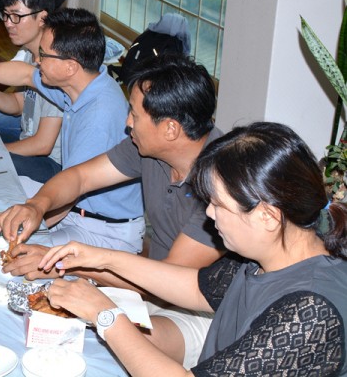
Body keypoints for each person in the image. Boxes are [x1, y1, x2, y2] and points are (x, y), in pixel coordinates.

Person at [38, 122, 347, 377]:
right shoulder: (264, 257)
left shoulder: (311, 311)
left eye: (218, 204)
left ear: (267, 216)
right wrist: (103, 259)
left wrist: (105, 315)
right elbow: (196, 288)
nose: (209, 213)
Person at [0, 55, 226, 368]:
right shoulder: (147, 147)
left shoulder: (222, 187)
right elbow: (80, 177)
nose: (127, 122)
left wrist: (64, 264)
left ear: (171, 129)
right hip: (146, 290)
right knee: (54, 315)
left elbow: (164, 283)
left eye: (134, 113)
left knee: (116, 340)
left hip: (200, 311)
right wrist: (36, 205)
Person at [0, 8, 144, 253]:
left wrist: (23, 232)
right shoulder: (84, 83)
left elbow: (71, 192)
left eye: (44, 55)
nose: (37, 61)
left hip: (103, 230)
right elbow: (26, 74)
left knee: (1, 250)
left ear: (70, 66)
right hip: (78, 213)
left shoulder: (99, 116)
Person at [0, 0, 65, 181]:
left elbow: (43, 144)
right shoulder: (27, 54)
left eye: (16, 16)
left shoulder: (54, 64)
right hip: (30, 143)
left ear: (42, 17)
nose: (8, 23)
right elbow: (18, 104)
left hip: (52, 164)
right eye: (6, 15)